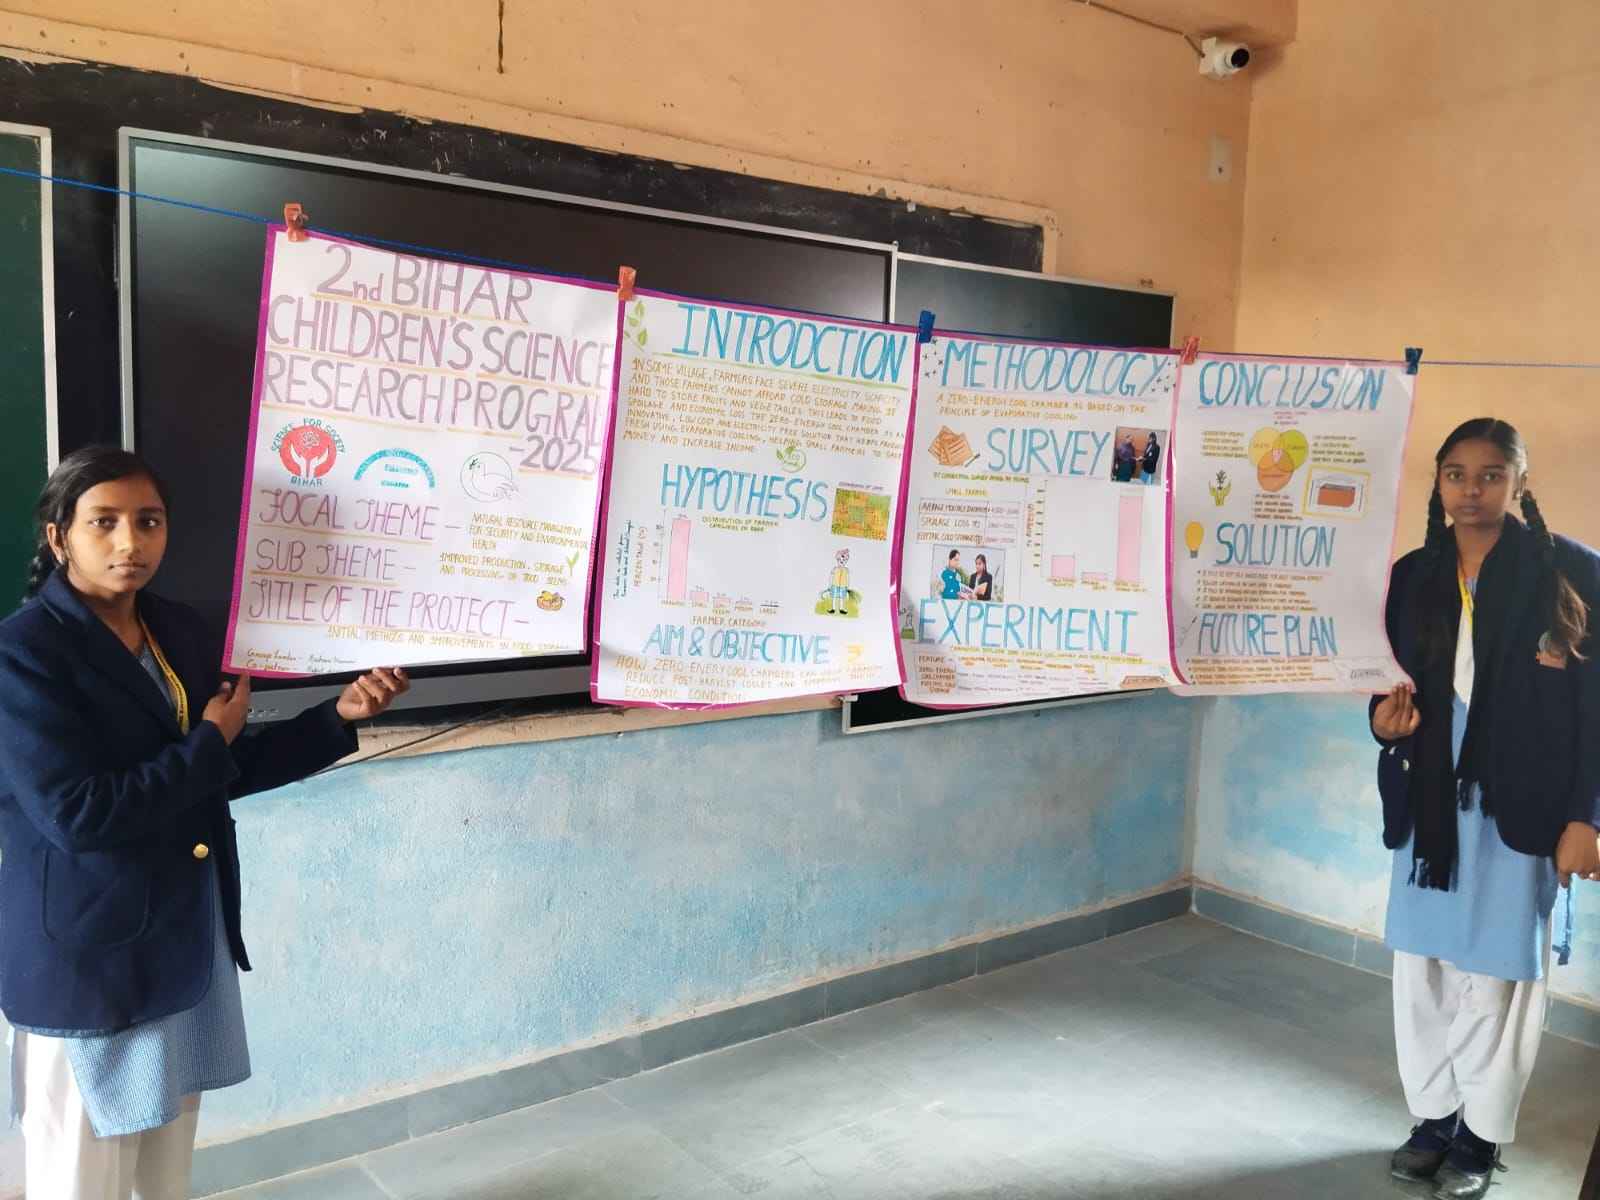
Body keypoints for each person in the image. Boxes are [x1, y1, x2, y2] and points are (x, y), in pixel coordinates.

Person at [0, 447, 411, 1200]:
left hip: (182, 935)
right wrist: (210, 745)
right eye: (104, 523)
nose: (130, 542)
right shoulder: (23, 654)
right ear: (59, 537)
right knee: (80, 1177)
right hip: (91, 957)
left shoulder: (178, 632)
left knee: (165, 1172)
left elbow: (217, 771)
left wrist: (337, 717)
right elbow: (79, 815)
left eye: (148, 521)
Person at [1370, 419, 1600, 1199]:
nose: (1472, 490)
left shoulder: (1572, 571)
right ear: (1438, 482)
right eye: (1456, 474)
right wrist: (1382, 723)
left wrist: (1588, 817)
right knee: (1423, 968)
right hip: (1430, 807)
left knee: (1498, 977)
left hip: (1524, 808)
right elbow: (1386, 682)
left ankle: (1480, 1131)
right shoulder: (1413, 575)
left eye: (1492, 474)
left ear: (1519, 482)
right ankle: (1434, 1117)